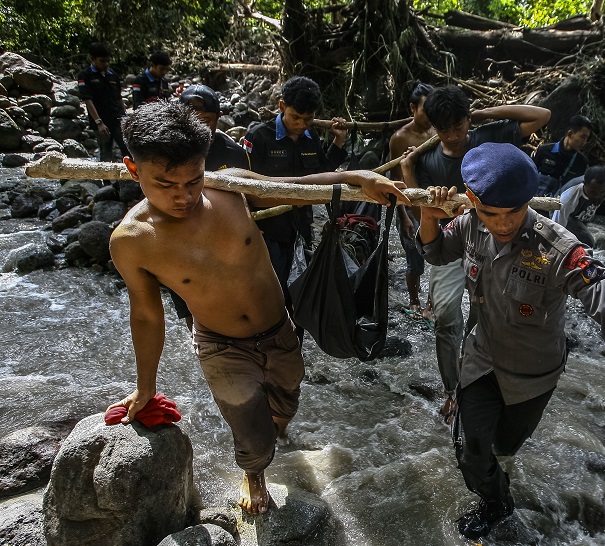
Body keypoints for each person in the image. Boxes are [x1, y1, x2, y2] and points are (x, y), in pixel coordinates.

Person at [106, 100, 410, 516]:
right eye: (165, 185)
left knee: (286, 400)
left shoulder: (229, 188)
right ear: (133, 168)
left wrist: (353, 176)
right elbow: (145, 314)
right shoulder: (132, 240)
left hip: (278, 328)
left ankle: (272, 435)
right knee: (247, 419)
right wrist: (145, 387)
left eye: (193, 181)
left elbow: (295, 188)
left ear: (204, 166)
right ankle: (254, 472)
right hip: (220, 344)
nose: (183, 196)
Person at [417, 142, 605, 541]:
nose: (504, 224)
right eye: (491, 213)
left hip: (533, 376)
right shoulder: (470, 223)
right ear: (473, 199)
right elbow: (436, 251)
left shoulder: (560, 249)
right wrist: (428, 213)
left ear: (530, 200)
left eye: (515, 211)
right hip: (481, 360)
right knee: (471, 452)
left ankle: (498, 476)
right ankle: (497, 502)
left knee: (504, 447)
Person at [400, 85, 551, 423]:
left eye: (459, 126)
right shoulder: (427, 158)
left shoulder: (490, 137)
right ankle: (453, 389)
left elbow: (542, 116)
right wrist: (409, 172)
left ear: (469, 119)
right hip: (453, 241)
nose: (453, 136)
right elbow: (419, 212)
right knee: (446, 320)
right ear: (433, 128)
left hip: (497, 237)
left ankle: (487, 381)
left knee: (490, 315)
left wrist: (484, 115)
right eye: (444, 129)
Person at [242, 76, 348, 321]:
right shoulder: (258, 137)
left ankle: (291, 339)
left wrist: (338, 142)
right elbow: (244, 186)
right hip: (266, 229)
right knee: (269, 288)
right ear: (281, 107)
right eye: (295, 118)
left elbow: (324, 174)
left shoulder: (312, 138)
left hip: (300, 227)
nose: (301, 125)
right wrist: (248, 226)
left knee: (297, 287)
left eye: (308, 119)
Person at [165, 84, 252, 330]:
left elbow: (247, 197)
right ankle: (196, 334)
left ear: (218, 119)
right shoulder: (164, 152)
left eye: (206, 121)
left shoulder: (233, 153)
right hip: (179, 235)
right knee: (186, 293)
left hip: (222, 236)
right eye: (191, 120)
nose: (199, 128)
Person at [388, 81, 435, 322]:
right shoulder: (400, 138)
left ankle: (431, 303)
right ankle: (414, 300)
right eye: (426, 109)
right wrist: (403, 215)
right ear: (412, 108)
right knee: (414, 256)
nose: (431, 114)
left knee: (438, 253)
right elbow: (394, 180)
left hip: (434, 202)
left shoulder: (438, 132)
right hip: (409, 203)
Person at [76, 42, 127, 162]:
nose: (106, 64)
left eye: (107, 61)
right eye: (102, 61)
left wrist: (125, 117)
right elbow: (88, 100)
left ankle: (131, 178)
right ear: (93, 59)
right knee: (106, 151)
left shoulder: (112, 75)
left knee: (126, 148)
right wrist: (99, 123)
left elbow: (118, 97)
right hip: (101, 121)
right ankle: (108, 180)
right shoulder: (85, 76)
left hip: (117, 119)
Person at [552, 164, 605, 249]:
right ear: (584, 184)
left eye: (601, 193)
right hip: (563, 214)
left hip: (580, 216)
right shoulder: (569, 197)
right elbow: (557, 227)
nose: (597, 196)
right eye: (593, 192)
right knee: (587, 242)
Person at [531, 114, 593, 197]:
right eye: (582, 137)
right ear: (570, 134)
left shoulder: (581, 162)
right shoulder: (544, 150)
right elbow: (530, 176)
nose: (584, 142)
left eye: (586, 138)